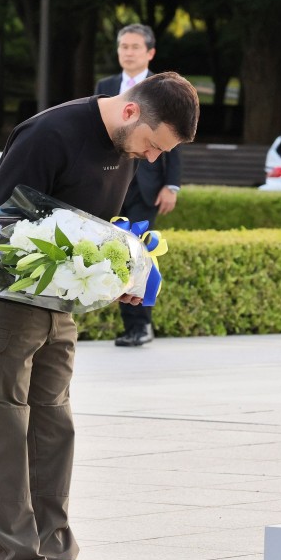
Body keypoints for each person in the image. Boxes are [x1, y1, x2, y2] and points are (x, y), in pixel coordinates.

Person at [0, 73, 199, 560]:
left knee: (53, 431)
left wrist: (120, 268)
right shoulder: (49, 134)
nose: (154, 157)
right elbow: (2, 227)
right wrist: (79, 263)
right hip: (2, 302)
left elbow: (88, 225)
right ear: (133, 113)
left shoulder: (127, 148)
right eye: (156, 145)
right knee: (2, 433)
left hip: (57, 306)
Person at [95, 23, 182, 347]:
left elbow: (174, 140)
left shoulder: (162, 89)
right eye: (123, 47)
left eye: (134, 47)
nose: (128, 52)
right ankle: (124, 323)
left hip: (147, 186)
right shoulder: (106, 86)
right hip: (113, 180)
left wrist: (171, 185)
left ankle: (141, 325)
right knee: (114, 252)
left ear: (150, 52)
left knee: (141, 252)